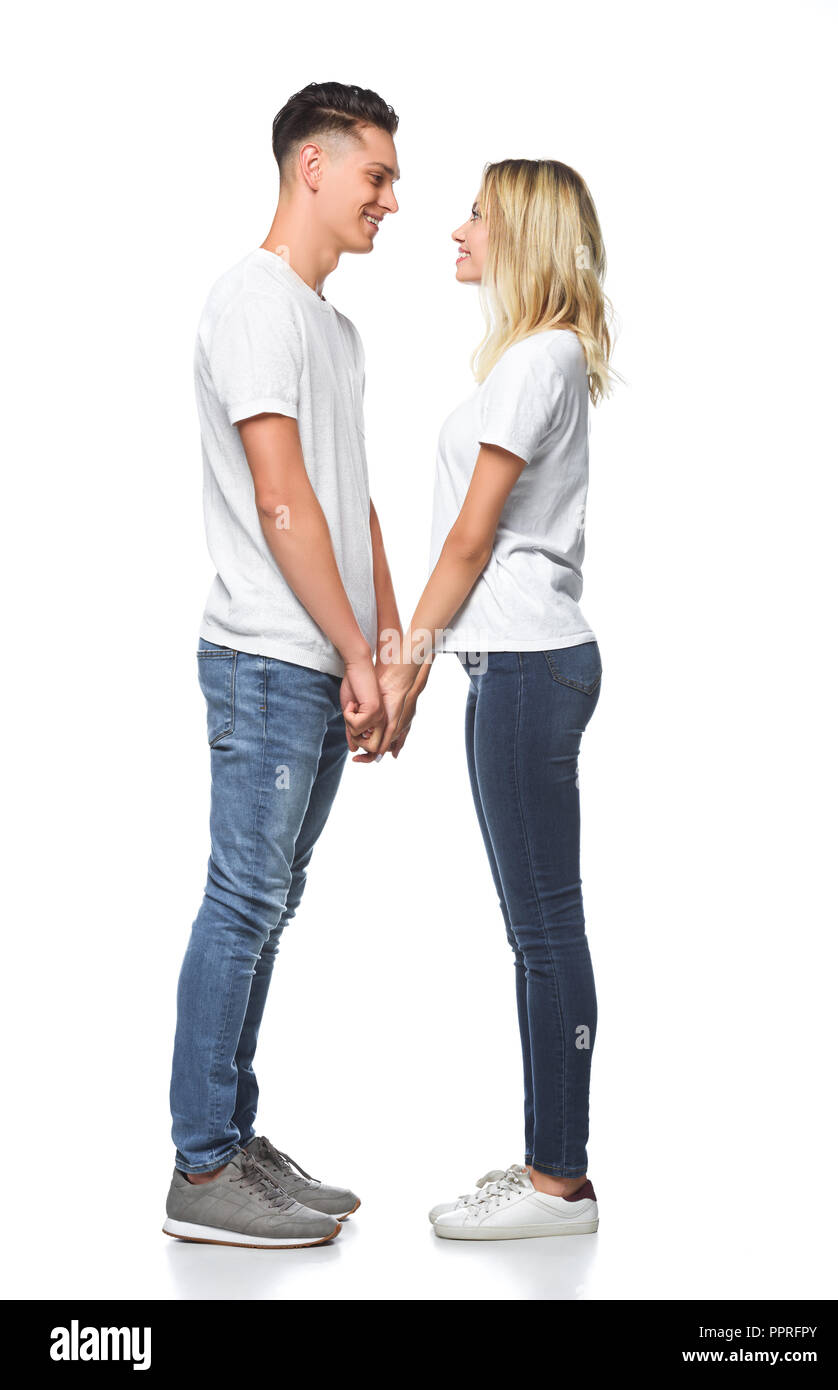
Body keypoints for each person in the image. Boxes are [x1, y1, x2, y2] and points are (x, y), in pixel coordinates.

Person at [354, 158, 617, 1240]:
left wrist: (405, 665)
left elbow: (471, 536)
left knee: (545, 928)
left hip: (521, 667)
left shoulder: (539, 358)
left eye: (475, 216)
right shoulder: (535, 359)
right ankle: (551, 1164)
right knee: (538, 928)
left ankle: (560, 1182)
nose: (453, 230)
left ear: (524, 237)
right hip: (519, 666)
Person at [163, 81, 402, 1250]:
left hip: (321, 662)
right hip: (267, 656)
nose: (392, 201)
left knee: (270, 907)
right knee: (243, 898)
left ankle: (233, 1141)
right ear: (313, 167)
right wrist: (352, 650)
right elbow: (281, 496)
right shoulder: (252, 303)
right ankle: (202, 1161)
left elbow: (352, 501)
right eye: (377, 176)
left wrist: (388, 650)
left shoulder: (335, 330)